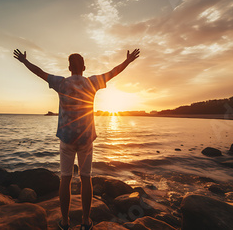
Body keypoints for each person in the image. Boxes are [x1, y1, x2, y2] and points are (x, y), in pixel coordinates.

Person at [13, 48, 140, 230]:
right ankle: (85, 221)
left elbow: (39, 72)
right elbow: (113, 72)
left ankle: (65, 222)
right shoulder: (92, 82)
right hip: (86, 139)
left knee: (65, 179)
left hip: (66, 139)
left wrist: (25, 61)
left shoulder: (61, 83)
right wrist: (127, 61)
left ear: (69, 67)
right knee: (85, 178)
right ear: (84, 67)